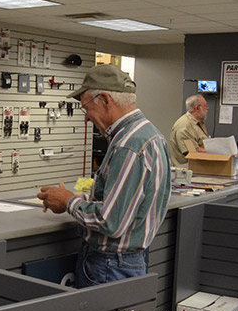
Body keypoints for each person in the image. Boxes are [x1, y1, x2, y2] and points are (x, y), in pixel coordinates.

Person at [37, 65, 171, 288]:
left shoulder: (128, 145)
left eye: (86, 108)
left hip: (110, 266)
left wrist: (68, 201)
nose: (87, 117)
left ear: (106, 99)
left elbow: (110, 221)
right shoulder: (151, 135)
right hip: (127, 262)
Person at [168, 94, 210, 166]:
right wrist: (215, 151)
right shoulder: (184, 126)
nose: (207, 108)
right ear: (197, 108)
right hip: (185, 172)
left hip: (197, 169)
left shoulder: (198, 123)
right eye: (205, 106)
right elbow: (192, 152)